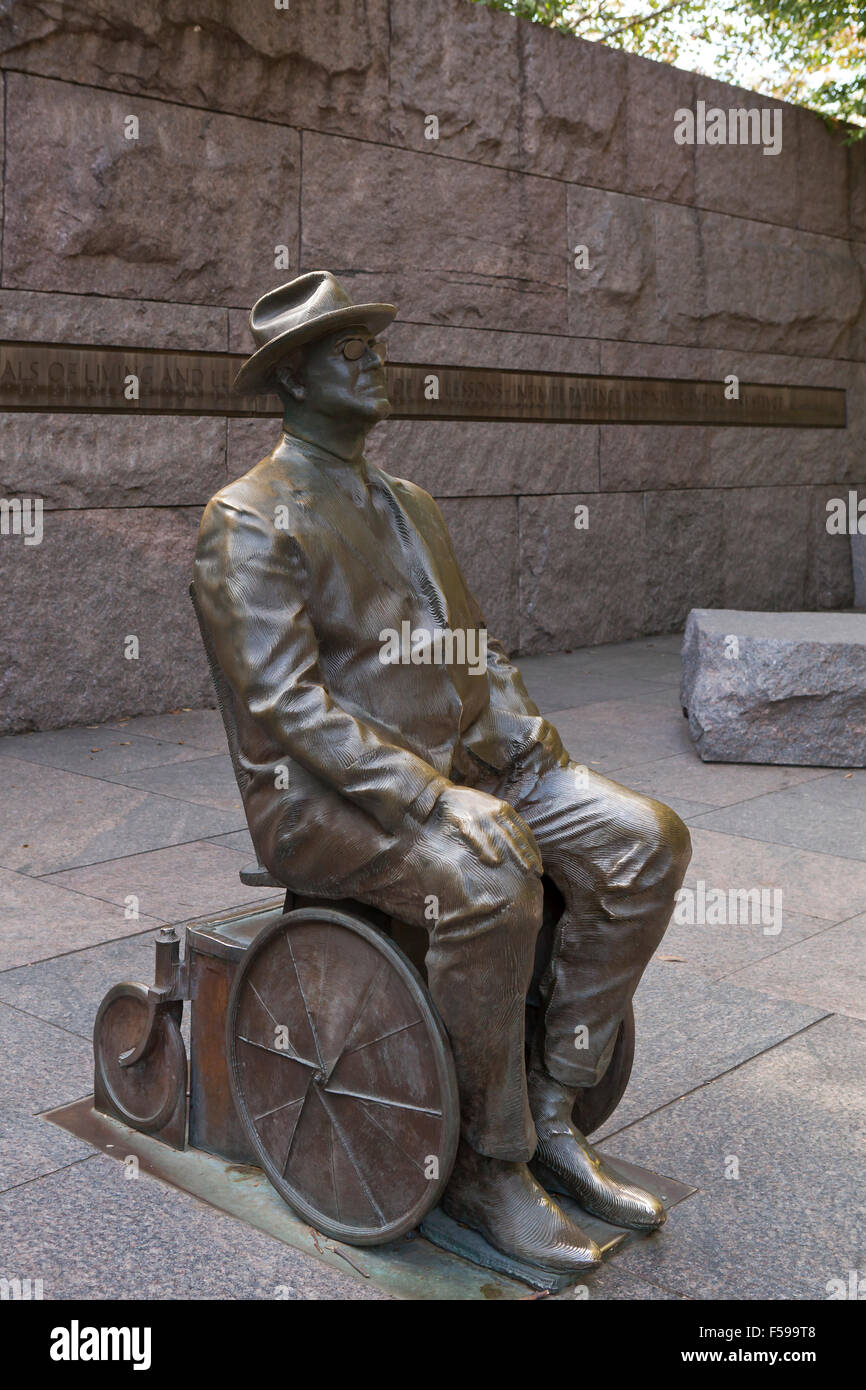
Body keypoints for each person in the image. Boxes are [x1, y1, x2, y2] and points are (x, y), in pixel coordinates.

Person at [194, 272, 692, 1275]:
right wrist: (431, 795)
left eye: (375, 343)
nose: (376, 361)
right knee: (489, 876)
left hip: (469, 772)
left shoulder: (410, 502)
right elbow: (286, 709)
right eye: (349, 349)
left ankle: (552, 1102)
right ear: (291, 376)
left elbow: (470, 647)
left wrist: (535, 757)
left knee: (645, 839)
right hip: (325, 804)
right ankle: (483, 1165)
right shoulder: (247, 519)